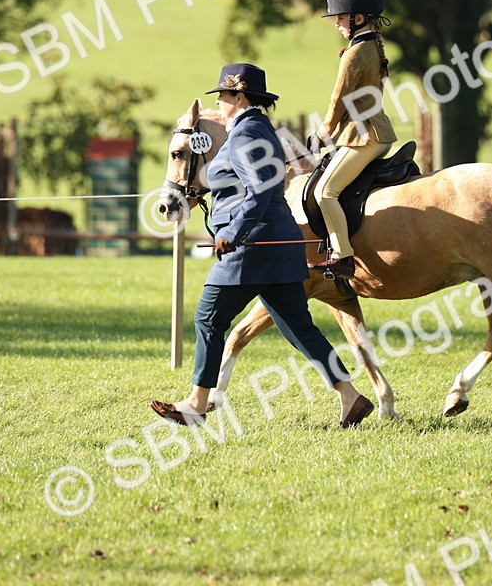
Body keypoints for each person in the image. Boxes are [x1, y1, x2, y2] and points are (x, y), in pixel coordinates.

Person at [151, 64, 375, 429]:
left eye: (222, 97)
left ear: (239, 97)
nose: (219, 105)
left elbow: (261, 190)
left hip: (252, 248)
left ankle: (196, 403)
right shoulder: (255, 130)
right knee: (299, 328)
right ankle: (350, 397)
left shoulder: (244, 134)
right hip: (276, 248)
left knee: (208, 318)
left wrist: (233, 232)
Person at [309, 0, 398, 279]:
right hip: (375, 131)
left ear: (358, 19)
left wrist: (323, 133)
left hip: (364, 137)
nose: (336, 24)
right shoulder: (372, 45)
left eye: (340, 18)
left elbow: (338, 99)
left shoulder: (355, 54)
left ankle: (343, 255)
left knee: (325, 192)